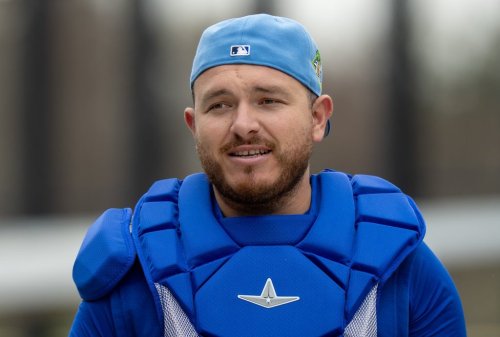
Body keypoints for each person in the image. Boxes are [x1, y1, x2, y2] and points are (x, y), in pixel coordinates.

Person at [69, 14, 466, 337]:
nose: (244, 124)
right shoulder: (138, 271)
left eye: (268, 100)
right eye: (219, 105)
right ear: (193, 125)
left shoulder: (398, 263)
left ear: (317, 117)